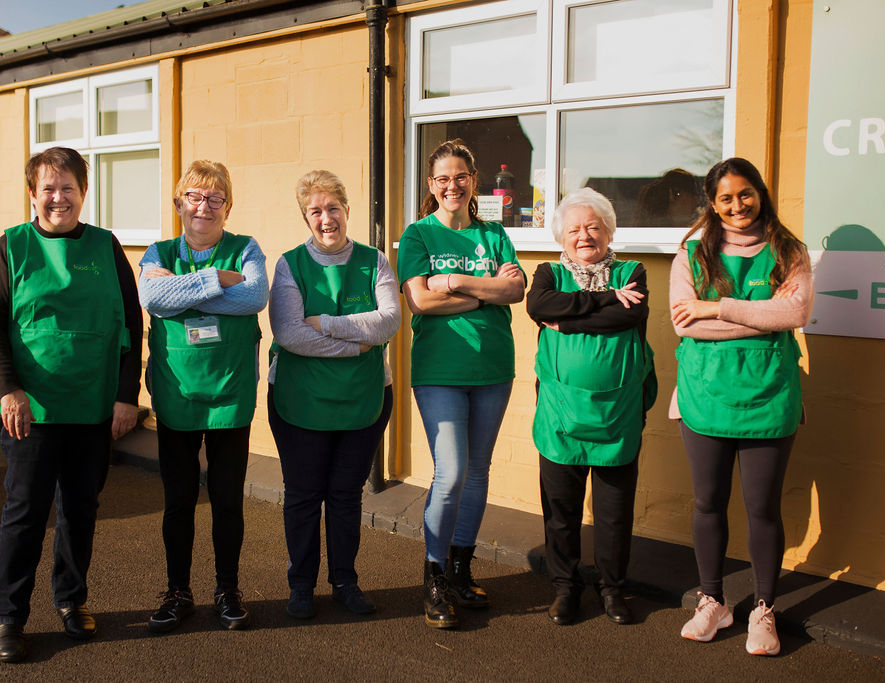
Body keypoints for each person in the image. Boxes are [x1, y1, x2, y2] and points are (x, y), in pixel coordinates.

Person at [0, 146, 142, 663]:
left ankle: (72, 600)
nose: (58, 197)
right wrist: (9, 388)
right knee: (24, 513)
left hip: (92, 407)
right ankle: (9, 616)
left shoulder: (105, 246)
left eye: (68, 187)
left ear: (83, 192)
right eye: (48, 187)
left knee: (80, 510)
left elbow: (131, 324)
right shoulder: (12, 246)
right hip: (31, 410)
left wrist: (126, 395)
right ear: (32, 194)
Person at [669, 157, 813, 656]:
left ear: (760, 193)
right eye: (726, 198)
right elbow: (685, 323)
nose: (738, 206)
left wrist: (717, 306)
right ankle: (713, 601)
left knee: (763, 508)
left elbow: (795, 311)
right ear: (712, 203)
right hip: (704, 395)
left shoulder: (788, 250)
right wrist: (761, 316)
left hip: (770, 396)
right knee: (708, 503)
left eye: (745, 194)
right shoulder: (691, 253)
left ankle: (764, 609)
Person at [397, 139, 525, 629]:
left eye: (461, 177)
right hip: (440, 371)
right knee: (450, 473)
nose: (452, 186)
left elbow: (515, 288)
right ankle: (433, 574)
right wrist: (485, 294)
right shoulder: (418, 235)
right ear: (432, 185)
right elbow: (420, 302)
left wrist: (454, 282)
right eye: (443, 179)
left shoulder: (493, 233)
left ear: (473, 180)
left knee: (477, 472)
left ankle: (459, 569)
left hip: (492, 367)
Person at [138, 160, 267, 633]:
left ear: (228, 207)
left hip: (230, 393)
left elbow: (254, 297)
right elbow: (151, 299)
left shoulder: (247, 248)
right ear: (179, 203)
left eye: (215, 198)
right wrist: (218, 279)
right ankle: (178, 591)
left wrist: (179, 290)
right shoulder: (158, 250)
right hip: (177, 393)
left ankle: (227, 589)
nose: (203, 207)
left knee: (228, 500)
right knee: (179, 500)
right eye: (194, 196)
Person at [268, 170, 400, 619]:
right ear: (305, 217)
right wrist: (357, 345)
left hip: (365, 398)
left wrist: (324, 323)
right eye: (315, 211)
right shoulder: (290, 264)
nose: (326, 219)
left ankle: (345, 581)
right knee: (304, 496)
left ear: (347, 209)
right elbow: (290, 334)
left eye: (333, 208)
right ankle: (301, 585)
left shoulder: (374, 261)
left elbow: (388, 322)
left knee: (346, 495)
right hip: (299, 401)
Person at [526, 187, 656, 627]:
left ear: (608, 231)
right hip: (560, 415)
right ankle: (566, 588)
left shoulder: (633, 271)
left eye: (593, 227)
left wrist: (567, 321)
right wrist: (605, 298)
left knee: (614, 513)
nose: (584, 236)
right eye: (574, 230)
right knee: (560, 513)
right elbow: (539, 305)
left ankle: (612, 589)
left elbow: (629, 316)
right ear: (562, 237)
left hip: (618, 414)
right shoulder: (548, 273)